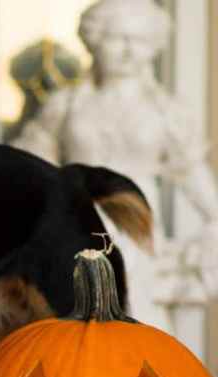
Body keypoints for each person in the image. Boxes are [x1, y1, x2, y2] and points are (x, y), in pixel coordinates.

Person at [13, 0, 218, 332]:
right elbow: (30, 168)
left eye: (137, 40)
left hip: (137, 226)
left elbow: (196, 178)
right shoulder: (66, 105)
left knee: (143, 328)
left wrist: (209, 230)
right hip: (77, 223)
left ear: (152, 46)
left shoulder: (166, 111)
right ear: (95, 40)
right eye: (117, 38)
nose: (127, 51)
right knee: (71, 330)